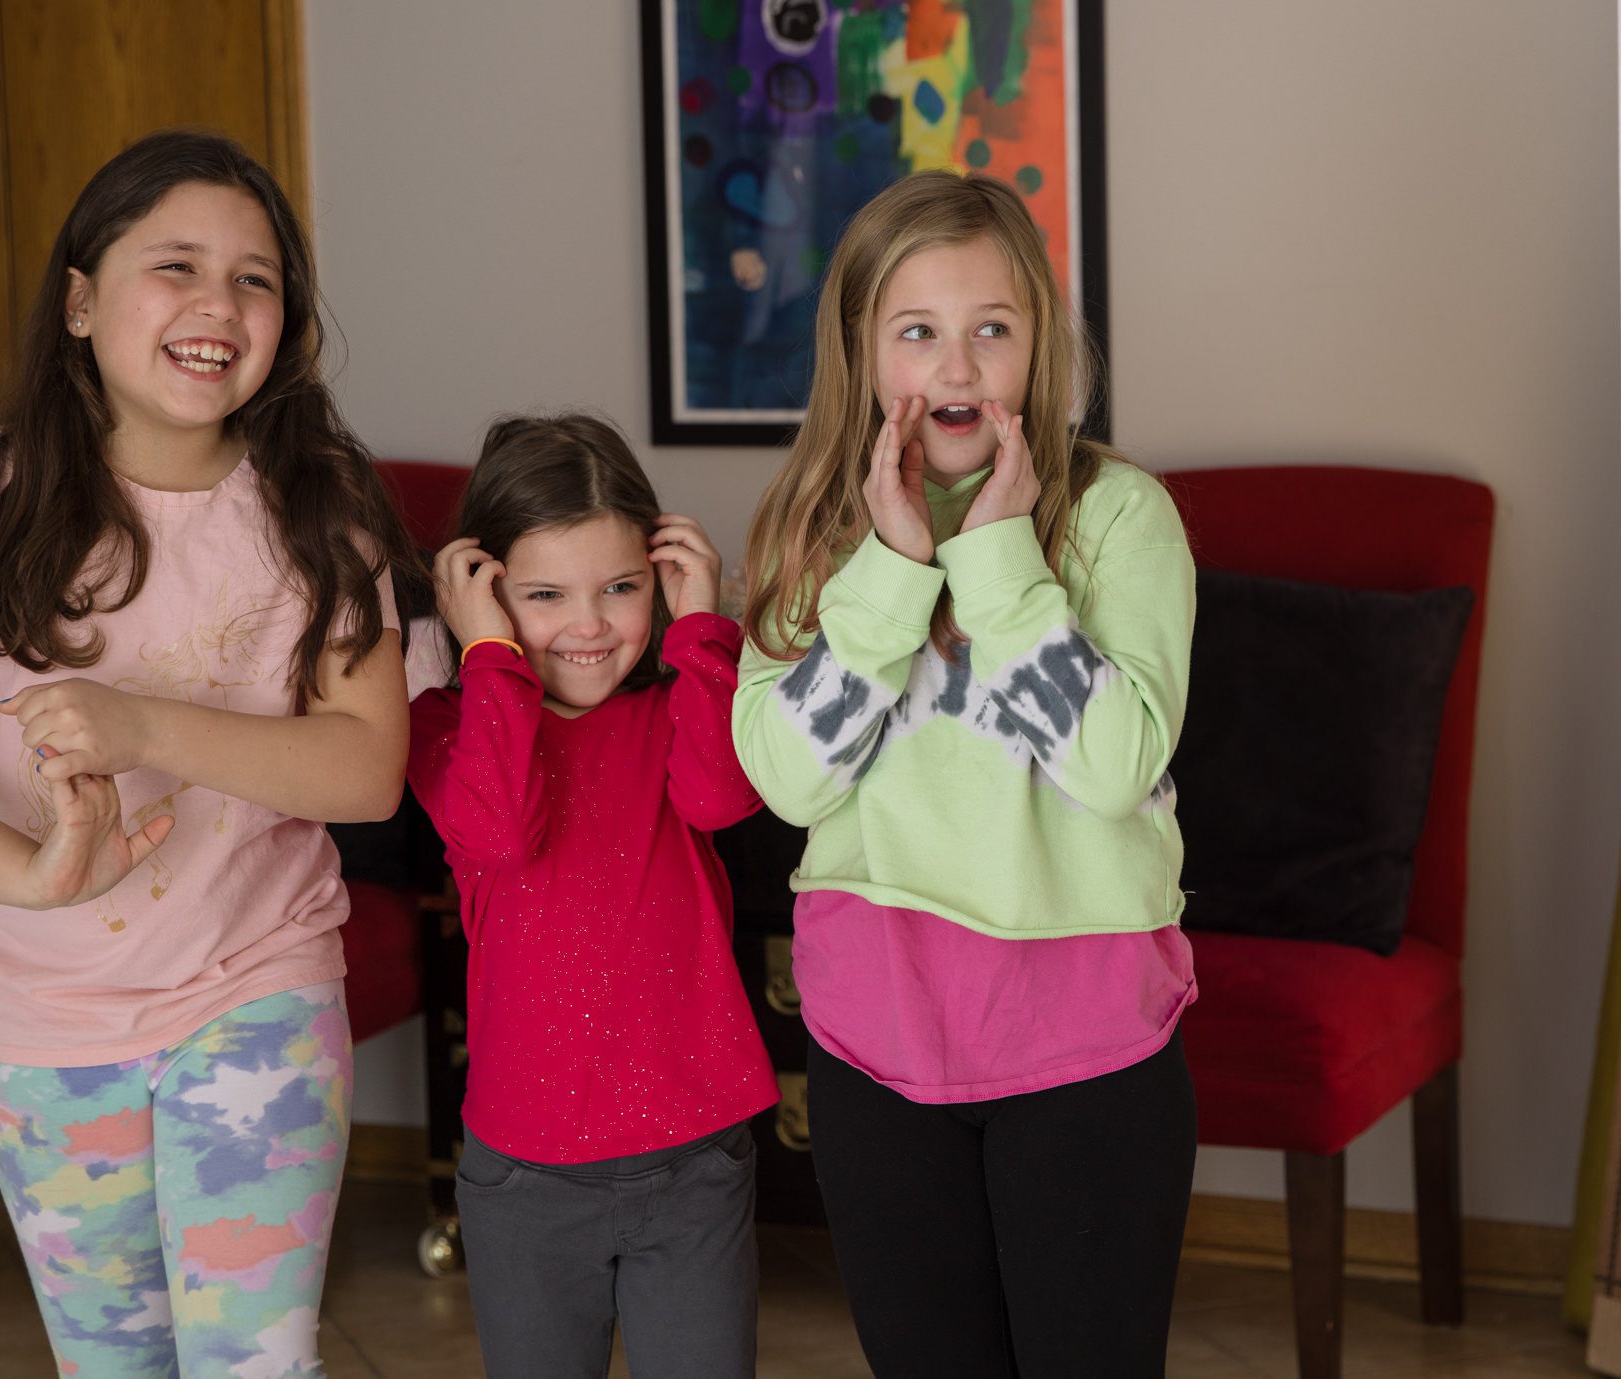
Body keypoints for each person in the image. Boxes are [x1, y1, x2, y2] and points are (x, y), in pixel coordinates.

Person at [0, 128, 422, 1378]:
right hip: (43, 1012)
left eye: (256, 278)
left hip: (254, 985)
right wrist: (31, 873)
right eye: (178, 265)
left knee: (253, 1365)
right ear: (83, 302)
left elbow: (365, 768)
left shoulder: (325, 508)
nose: (220, 303)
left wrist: (143, 724)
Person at [734, 169, 1199, 1377]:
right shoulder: (808, 531)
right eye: (917, 332)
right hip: (875, 1042)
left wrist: (992, 553)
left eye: (990, 328)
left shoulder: (1119, 518)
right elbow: (790, 778)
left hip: (1083, 1045)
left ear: (1037, 345)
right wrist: (890, 570)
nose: (955, 368)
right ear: (860, 349)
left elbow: (1111, 767)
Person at [407, 414, 777, 1379]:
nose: (589, 624)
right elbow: (495, 828)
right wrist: (486, 653)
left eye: (621, 588)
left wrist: (700, 628)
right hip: (525, 1173)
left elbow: (722, 795)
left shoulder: (678, 703)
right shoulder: (448, 722)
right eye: (543, 595)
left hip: (694, 1155)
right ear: (483, 595)